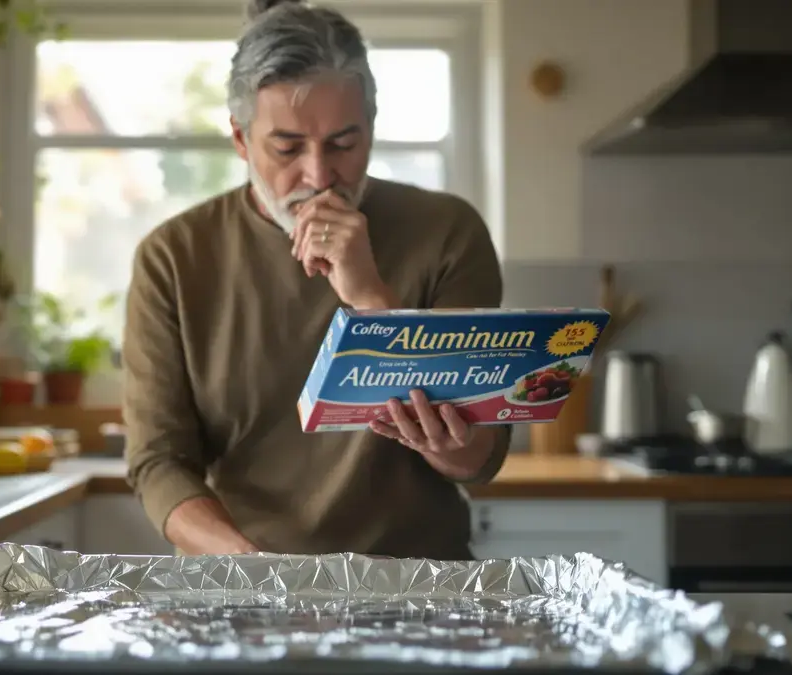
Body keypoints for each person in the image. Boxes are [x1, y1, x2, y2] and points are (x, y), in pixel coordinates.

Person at [122, 0, 509, 559]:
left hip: (416, 584)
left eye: (343, 144)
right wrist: (251, 567)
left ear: (371, 129)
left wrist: (370, 296)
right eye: (287, 147)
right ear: (240, 139)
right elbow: (159, 461)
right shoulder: (173, 257)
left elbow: (478, 459)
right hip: (245, 587)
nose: (319, 175)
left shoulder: (448, 232)